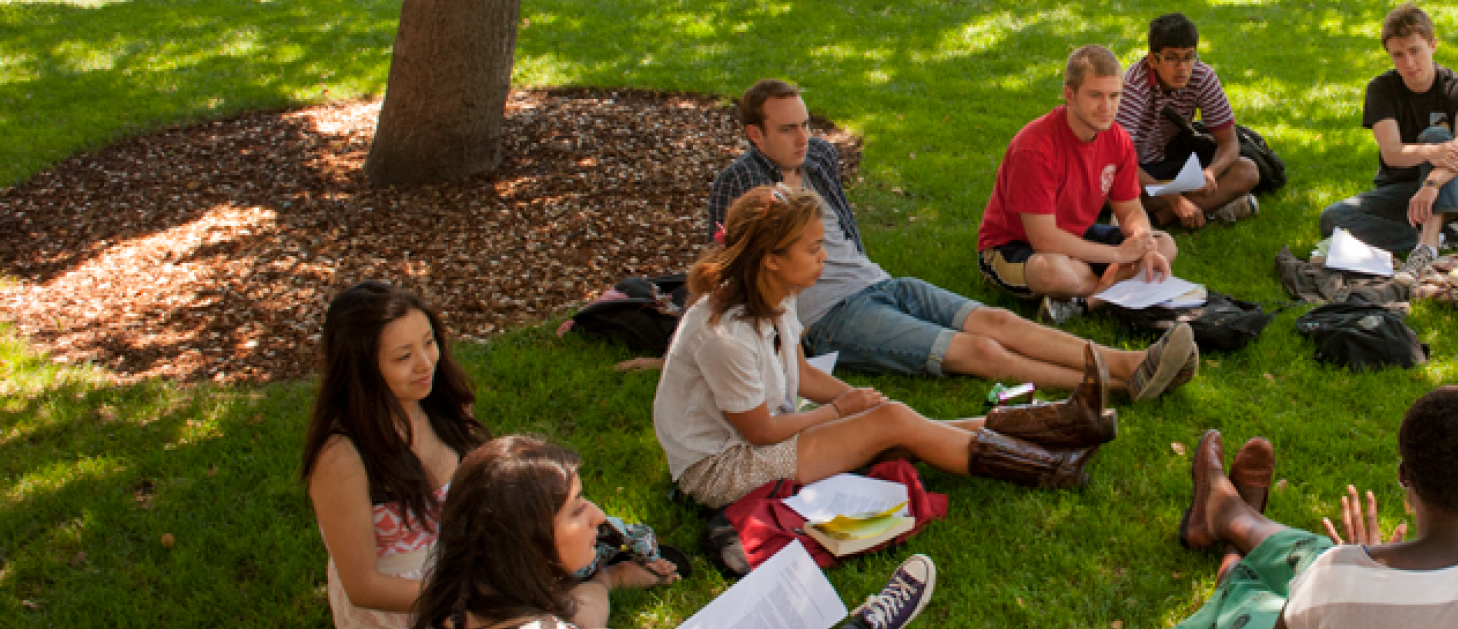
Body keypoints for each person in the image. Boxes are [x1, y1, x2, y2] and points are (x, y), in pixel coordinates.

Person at [710, 78, 1199, 401]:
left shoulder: (817, 157)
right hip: (830, 318)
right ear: (755, 134)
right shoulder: (742, 187)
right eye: (788, 129)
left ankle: (1132, 361)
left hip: (882, 283)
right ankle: (1116, 386)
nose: (805, 138)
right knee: (982, 353)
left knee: (997, 320)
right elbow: (736, 270)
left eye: (807, 124)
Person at [661, 186, 1116, 510]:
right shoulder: (724, 335)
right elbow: (758, 433)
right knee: (895, 423)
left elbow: (800, 374)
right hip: (724, 469)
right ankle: (1051, 463)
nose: (824, 258)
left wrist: (851, 402)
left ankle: (1060, 426)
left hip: (767, 435)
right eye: (813, 249)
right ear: (772, 259)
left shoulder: (776, 295)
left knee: (899, 423)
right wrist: (842, 413)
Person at [300, 281, 669, 629]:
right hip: (409, 604)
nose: (425, 363)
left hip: (471, 572)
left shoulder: (441, 407)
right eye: (402, 357)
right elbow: (363, 586)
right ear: (361, 368)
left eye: (429, 342)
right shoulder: (341, 456)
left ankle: (597, 579)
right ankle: (597, 584)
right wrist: (471, 603)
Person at [1170, 386, 1458, 629]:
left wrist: (1361, 574)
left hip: (1335, 590)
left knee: (1269, 597)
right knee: (1317, 561)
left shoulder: (1335, 580)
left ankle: (1232, 548)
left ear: (1404, 477)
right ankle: (1231, 519)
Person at [410, 435, 936, 629]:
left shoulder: (469, 604)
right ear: (522, 544)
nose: (597, 517)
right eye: (574, 511)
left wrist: (609, 580)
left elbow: (585, 613)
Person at [976, 45, 1194, 331]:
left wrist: (1144, 244)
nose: (1107, 107)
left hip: (1075, 235)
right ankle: (1112, 288)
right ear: (1070, 95)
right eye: (1095, 96)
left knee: (1165, 243)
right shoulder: (1035, 147)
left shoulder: (1118, 140)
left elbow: (1130, 210)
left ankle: (1087, 301)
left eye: (1114, 96)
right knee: (1056, 273)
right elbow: (1043, 239)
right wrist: (1119, 257)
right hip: (1014, 245)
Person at [1318, 2, 1458, 275]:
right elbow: (1392, 153)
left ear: (1433, 45)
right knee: (1333, 219)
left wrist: (1431, 182)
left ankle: (1428, 246)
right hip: (1398, 189)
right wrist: (1430, 153)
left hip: (1445, 187)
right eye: (1398, 55)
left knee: (1436, 135)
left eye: (1414, 51)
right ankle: (1444, 238)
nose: (1408, 63)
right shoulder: (1381, 89)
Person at [1116, 12, 1263, 228]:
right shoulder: (1132, 86)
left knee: (1247, 170)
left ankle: (1162, 218)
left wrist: (1212, 172)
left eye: (1188, 56)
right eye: (1172, 58)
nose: (1182, 67)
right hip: (1135, 171)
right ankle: (1202, 209)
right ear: (1152, 60)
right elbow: (1119, 162)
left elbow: (1229, 142)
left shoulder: (1202, 77)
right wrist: (1174, 199)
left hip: (1172, 163)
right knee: (1111, 192)